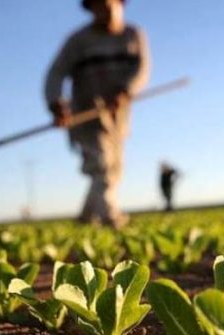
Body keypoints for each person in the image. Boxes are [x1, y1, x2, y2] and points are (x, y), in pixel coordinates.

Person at [44, 0, 150, 228]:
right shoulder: (78, 41)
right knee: (100, 164)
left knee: (114, 168)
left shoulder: (133, 35)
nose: (105, 11)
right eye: (98, 6)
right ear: (91, 9)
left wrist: (126, 90)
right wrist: (56, 103)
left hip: (118, 116)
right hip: (86, 114)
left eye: (109, 5)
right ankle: (110, 217)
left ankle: (85, 217)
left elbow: (141, 69)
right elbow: (56, 73)